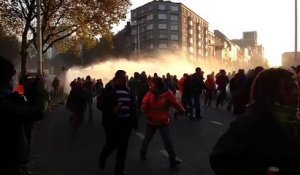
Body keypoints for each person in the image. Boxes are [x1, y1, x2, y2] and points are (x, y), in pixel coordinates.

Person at [210, 68, 300, 175]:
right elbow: (220, 159)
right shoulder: (249, 123)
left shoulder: (295, 122)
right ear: (269, 94)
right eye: (287, 89)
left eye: (296, 87)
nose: (296, 92)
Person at [0, 56, 45, 175]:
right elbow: (37, 112)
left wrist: (22, 87)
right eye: (11, 77)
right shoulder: (4, 102)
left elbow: (19, 99)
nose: (12, 81)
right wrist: (41, 89)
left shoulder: (7, 96)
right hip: (8, 165)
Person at [140, 77, 185, 169]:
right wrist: (144, 110)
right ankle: (142, 154)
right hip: (154, 121)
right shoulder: (152, 93)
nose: (151, 85)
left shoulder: (166, 94)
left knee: (166, 142)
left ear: (156, 84)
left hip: (161, 121)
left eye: (152, 83)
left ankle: (172, 161)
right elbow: (144, 103)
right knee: (150, 140)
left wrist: (181, 110)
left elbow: (175, 103)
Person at [98, 70, 137, 175]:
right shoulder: (109, 90)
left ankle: (119, 171)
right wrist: (112, 109)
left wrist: (134, 122)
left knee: (123, 148)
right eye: (124, 78)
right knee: (112, 143)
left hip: (126, 123)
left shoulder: (128, 90)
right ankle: (103, 156)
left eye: (126, 77)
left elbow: (132, 107)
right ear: (117, 79)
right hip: (112, 122)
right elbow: (100, 104)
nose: (126, 79)